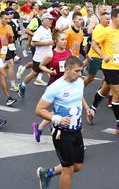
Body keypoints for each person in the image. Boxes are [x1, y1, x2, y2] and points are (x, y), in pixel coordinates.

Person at [35, 56, 94, 189]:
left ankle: (47, 173)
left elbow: (79, 96)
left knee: (77, 166)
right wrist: (57, 119)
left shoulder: (79, 82)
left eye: (81, 71)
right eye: (77, 71)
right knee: (68, 169)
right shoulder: (54, 88)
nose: (80, 74)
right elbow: (39, 109)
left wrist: (87, 109)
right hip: (61, 133)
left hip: (77, 129)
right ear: (67, 69)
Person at [90, 8, 119, 134]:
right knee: (117, 94)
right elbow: (94, 44)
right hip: (108, 67)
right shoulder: (106, 31)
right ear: (113, 18)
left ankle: (92, 109)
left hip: (118, 65)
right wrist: (103, 56)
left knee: (104, 90)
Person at [32, 29, 72, 142]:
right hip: (54, 86)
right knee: (59, 111)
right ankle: (56, 131)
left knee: (59, 111)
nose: (64, 42)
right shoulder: (51, 54)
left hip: (67, 85)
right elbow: (41, 66)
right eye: (62, 40)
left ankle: (39, 128)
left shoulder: (69, 52)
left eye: (65, 39)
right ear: (56, 41)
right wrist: (50, 72)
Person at [18, 13, 54, 99]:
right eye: (49, 19)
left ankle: (53, 93)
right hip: (39, 58)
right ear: (44, 20)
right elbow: (33, 43)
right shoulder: (39, 31)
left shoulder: (48, 29)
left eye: (52, 19)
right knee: (33, 74)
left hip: (48, 57)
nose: (51, 21)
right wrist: (47, 43)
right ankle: (22, 85)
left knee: (52, 73)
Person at [0, 11, 18, 106]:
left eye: (8, 19)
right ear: (0, 18)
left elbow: (11, 40)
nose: (7, 20)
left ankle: (12, 84)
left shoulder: (9, 27)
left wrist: (9, 38)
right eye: (5, 18)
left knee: (11, 64)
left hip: (7, 48)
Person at [84, 12, 110, 87]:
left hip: (104, 57)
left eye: (109, 19)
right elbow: (94, 45)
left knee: (108, 75)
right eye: (106, 19)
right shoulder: (98, 29)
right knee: (90, 78)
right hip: (95, 57)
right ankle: (79, 91)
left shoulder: (108, 28)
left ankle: (101, 90)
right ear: (101, 19)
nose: (108, 21)